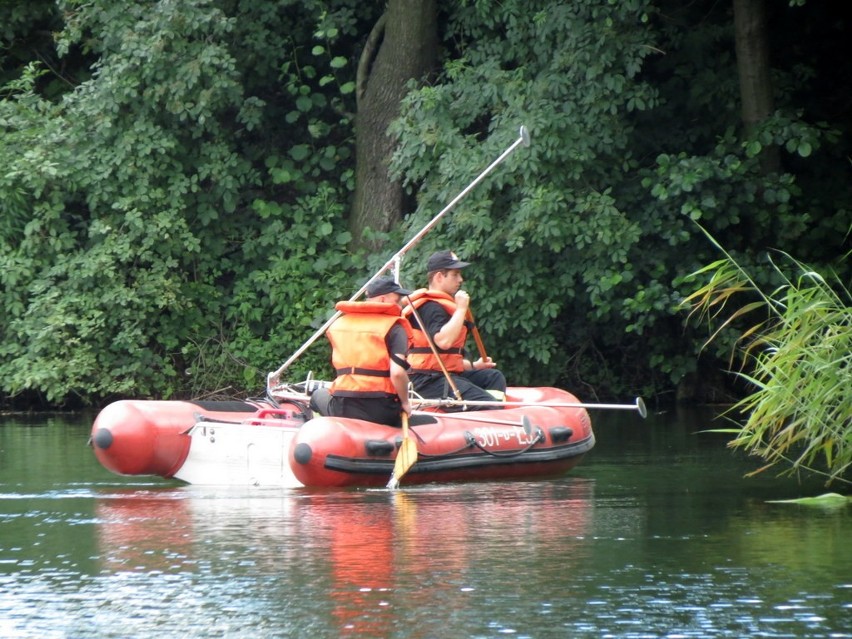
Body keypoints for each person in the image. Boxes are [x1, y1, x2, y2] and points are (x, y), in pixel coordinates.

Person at [403, 250, 507, 410]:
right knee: (486, 405)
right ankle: (491, 413)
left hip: (443, 374)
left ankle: (496, 415)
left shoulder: (441, 305)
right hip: (426, 381)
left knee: (492, 377)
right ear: (439, 277)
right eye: (455, 274)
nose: (460, 279)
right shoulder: (430, 307)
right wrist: (461, 309)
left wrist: (474, 366)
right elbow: (444, 342)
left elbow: (445, 359)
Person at [315, 277, 413, 427]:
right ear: (382, 299)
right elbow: (398, 373)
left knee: (317, 395)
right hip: (381, 408)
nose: (401, 305)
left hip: (343, 405)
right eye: (398, 300)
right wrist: (405, 402)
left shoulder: (341, 323)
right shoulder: (395, 327)